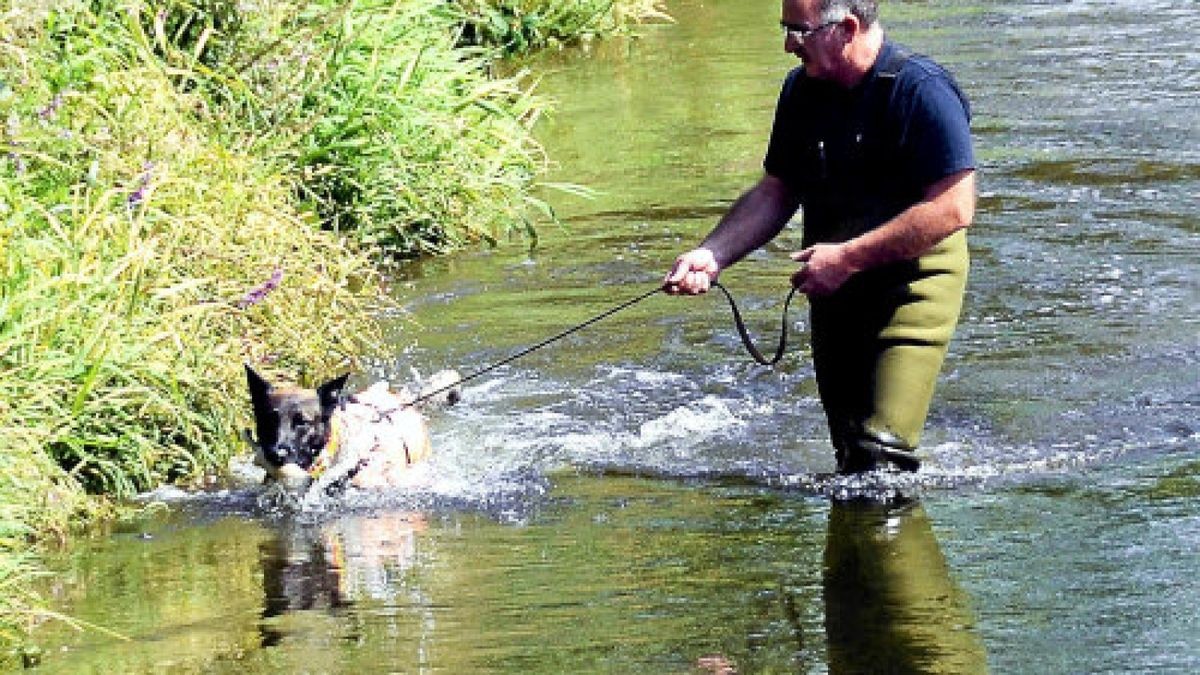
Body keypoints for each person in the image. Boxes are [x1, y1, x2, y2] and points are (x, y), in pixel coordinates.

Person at [663, 0, 975, 474]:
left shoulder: (922, 91)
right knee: (850, 458)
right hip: (834, 287)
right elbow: (776, 191)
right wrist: (713, 254)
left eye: (798, 30)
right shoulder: (801, 92)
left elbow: (954, 207)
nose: (788, 44)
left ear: (847, 28)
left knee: (880, 454)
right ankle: (849, 546)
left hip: (915, 286)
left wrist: (848, 257)